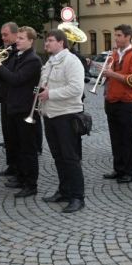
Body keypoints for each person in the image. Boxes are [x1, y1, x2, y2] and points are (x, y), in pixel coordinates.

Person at [0, 26, 42, 197]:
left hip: (25, 109)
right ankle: (20, 177)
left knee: (28, 149)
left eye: (21, 38)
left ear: (31, 41)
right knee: (17, 146)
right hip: (14, 107)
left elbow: (16, 79)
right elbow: (5, 77)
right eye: (17, 37)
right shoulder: (18, 56)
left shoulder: (33, 60)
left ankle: (31, 184)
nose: (17, 40)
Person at [38, 29, 86, 212]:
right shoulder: (49, 62)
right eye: (47, 40)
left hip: (66, 115)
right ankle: (64, 190)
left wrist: (50, 93)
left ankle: (78, 197)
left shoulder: (71, 61)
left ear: (61, 43)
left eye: (50, 41)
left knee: (70, 158)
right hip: (50, 115)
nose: (47, 44)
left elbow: (76, 89)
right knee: (58, 157)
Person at [102, 24, 132, 183]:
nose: (116, 38)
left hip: (126, 101)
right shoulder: (114, 53)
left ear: (128, 37)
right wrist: (103, 71)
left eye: (119, 35)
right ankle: (118, 169)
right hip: (111, 100)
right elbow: (111, 76)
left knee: (128, 139)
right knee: (115, 138)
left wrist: (112, 74)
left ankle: (130, 171)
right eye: (116, 35)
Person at [0, 22, 18, 176]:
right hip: (4, 97)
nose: (3, 38)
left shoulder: (16, 53)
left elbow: (12, 76)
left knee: (14, 137)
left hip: (14, 99)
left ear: (15, 35)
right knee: (8, 135)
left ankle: (18, 169)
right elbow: (0, 76)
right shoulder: (7, 50)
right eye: (2, 35)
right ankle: (12, 166)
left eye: (6, 35)